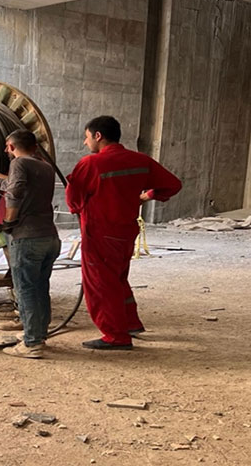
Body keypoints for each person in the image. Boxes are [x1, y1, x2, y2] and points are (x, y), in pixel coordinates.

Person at [66, 116, 181, 350]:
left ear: (98, 136)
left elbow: (73, 201)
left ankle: (115, 336)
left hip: (99, 233)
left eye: (87, 137)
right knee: (117, 279)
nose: (86, 143)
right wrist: (147, 195)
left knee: (101, 284)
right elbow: (173, 185)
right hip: (126, 232)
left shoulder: (91, 164)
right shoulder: (140, 161)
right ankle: (129, 322)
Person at [0, 130, 60, 359]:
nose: (5, 151)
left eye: (6, 147)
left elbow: (14, 192)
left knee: (25, 290)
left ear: (12, 146)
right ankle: (38, 335)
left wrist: (9, 221)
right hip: (49, 237)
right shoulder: (44, 166)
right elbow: (14, 184)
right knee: (40, 288)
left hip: (27, 237)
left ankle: (31, 344)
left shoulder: (19, 164)